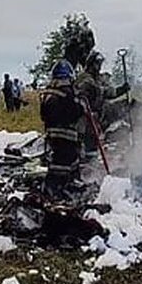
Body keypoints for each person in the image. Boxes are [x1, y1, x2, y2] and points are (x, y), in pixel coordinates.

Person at [40, 60, 84, 198]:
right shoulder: (67, 92)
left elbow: (43, 115)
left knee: (57, 160)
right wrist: (81, 104)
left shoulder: (48, 92)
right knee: (66, 162)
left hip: (52, 134)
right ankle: (58, 188)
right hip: (67, 134)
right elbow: (74, 112)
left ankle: (56, 186)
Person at [77, 51, 129, 155]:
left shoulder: (98, 79)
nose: (99, 67)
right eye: (97, 64)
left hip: (96, 117)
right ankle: (86, 162)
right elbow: (99, 91)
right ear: (92, 64)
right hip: (84, 119)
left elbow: (109, 92)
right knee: (87, 143)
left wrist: (121, 90)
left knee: (94, 143)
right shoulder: (84, 78)